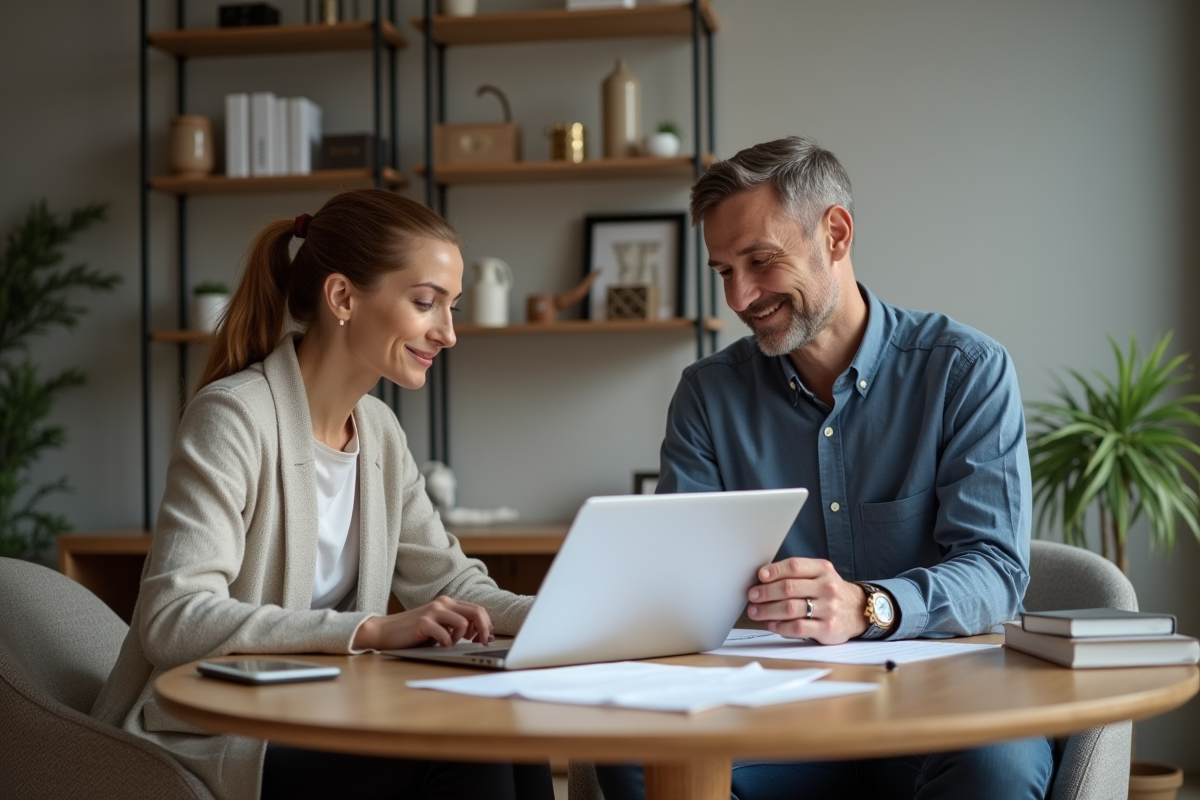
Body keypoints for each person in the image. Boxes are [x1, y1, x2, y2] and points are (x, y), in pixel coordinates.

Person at [595, 137, 1054, 800]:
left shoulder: (965, 372)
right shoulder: (708, 393)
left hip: (943, 707)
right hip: (773, 710)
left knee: (999, 770)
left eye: (760, 261)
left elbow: (997, 571)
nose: (740, 296)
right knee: (637, 762)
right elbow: (681, 591)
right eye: (723, 270)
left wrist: (868, 605)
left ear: (835, 233)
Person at [91, 189, 554, 800]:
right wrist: (367, 630)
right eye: (426, 303)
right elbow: (173, 618)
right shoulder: (233, 418)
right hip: (222, 731)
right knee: (468, 755)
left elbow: (453, 585)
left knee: (512, 732)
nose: (448, 333)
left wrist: (569, 620)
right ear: (341, 297)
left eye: (452, 308)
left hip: (327, 711)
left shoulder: (381, 433)